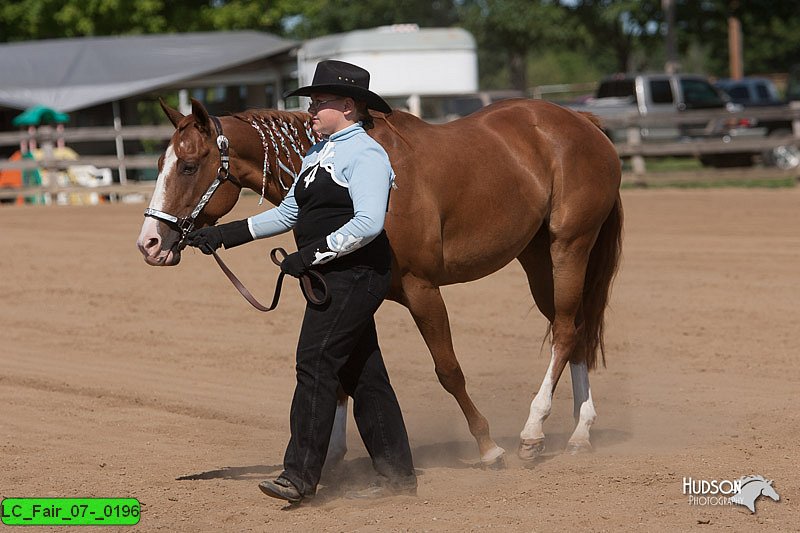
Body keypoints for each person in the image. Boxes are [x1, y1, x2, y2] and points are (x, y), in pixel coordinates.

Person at [186, 60, 416, 504]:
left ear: (348, 106)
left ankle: (300, 476)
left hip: (357, 274)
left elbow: (369, 223)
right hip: (332, 276)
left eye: (319, 102)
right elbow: (288, 214)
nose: (310, 111)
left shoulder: (366, 153)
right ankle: (397, 476)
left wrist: (311, 254)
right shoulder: (317, 154)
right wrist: (223, 236)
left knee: (314, 364)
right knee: (364, 374)